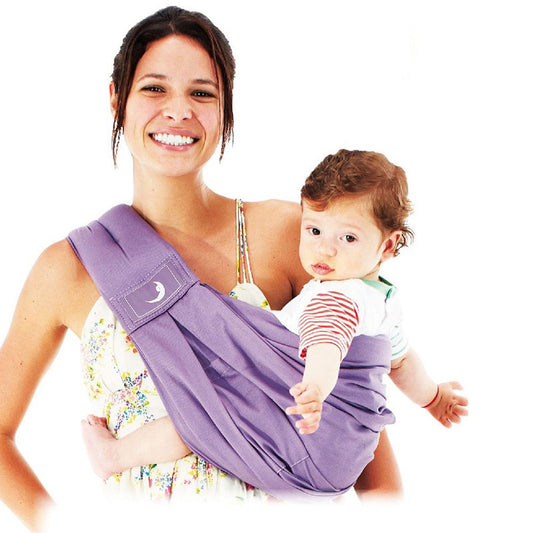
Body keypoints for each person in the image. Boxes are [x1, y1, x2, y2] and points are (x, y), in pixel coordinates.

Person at [0, 7, 403, 532]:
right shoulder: (69, 268)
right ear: (117, 99)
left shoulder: (293, 236)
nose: (178, 111)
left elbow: (355, 419)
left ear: (225, 108)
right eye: (154, 89)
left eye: (202, 93)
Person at [80, 149, 468, 480]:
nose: (324, 250)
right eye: (313, 230)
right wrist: (433, 398)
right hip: (344, 453)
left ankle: (114, 456)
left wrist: (315, 389)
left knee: (195, 422)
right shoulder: (382, 300)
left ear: (388, 246)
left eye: (347, 237)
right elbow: (402, 361)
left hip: (302, 428)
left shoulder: (338, 297)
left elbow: (326, 342)